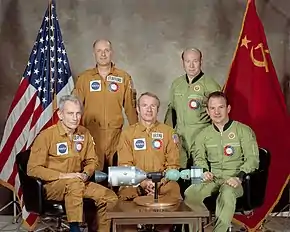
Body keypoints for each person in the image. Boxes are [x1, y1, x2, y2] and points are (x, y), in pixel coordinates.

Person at [27, 95, 118, 232]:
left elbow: (92, 160)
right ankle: (74, 229)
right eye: (70, 113)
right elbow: (33, 169)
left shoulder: (84, 133)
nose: (75, 118)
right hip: (53, 185)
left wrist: (86, 173)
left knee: (110, 197)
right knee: (74, 184)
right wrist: (64, 176)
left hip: (79, 181)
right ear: (60, 114)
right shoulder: (46, 136)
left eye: (78, 113)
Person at [184, 91, 260, 232]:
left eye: (221, 107)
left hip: (235, 180)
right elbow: (199, 158)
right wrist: (204, 172)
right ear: (207, 111)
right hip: (213, 178)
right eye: (212, 108)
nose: (216, 112)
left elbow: (253, 159)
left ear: (228, 109)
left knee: (227, 193)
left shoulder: (243, 131)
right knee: (190, 193)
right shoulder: (202, 135)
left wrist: (239, 177)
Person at [117, 92, 181, 232]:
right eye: (144, 105)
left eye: (153, 106)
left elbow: (173, 164)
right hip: (134, 182)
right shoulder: (127, 134)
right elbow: (124, 166)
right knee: (124, 195)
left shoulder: (169, 132)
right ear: (138, 109)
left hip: (162, 181)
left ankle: (162, 229)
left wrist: (159, 182)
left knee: (173, 189)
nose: (149, 109)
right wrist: (142, 182)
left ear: (158, 109)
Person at [73, 39, 138, 171]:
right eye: (99, 51)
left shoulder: (123, 77)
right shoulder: (84, 78)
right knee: (94, 174)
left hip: (115, 136)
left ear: (111, 53)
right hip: (91, 135)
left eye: (106, 50)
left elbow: (130, 109)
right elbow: (75, 107)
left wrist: (137, 133)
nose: (103, 54)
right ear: (94, 53)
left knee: (116, 175)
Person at [164, 48, 221, 169]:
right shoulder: (177, 84)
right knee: (179, 176)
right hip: (180, 140)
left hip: (201, 138)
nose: (191, 65)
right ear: (182, 62)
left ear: (201, 61)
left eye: (195, 61)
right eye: (187, 61)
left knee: (199, 177)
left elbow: (219, 115)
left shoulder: (211, 85)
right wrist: (168, 135)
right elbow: (171, 112)